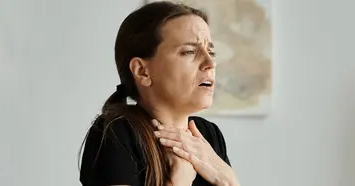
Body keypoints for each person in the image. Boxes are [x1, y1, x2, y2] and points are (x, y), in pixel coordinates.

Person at [79, 1, 240, 186]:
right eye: (189, 52)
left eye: (211, 51)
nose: (210, 63)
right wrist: (177, 182)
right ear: (142, 71)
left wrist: (228, 180)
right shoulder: (115, 132)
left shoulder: (209, 135)